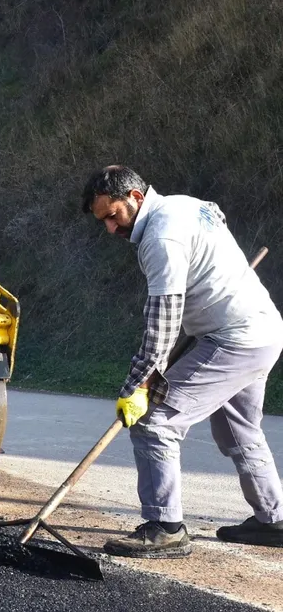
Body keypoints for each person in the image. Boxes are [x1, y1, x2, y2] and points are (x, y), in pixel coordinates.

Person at [81, 164, 283, 558]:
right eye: (102, 220)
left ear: (135, 198)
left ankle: (166, 527)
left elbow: (163, 323)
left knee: (155, 420)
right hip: (262, 331)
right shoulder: (186, 206)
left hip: (234, 339)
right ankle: (273, 520)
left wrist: (137, 385)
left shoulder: (160, 236)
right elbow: (217, 215)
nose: (110, 228)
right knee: (239, 430)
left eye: (113, 216)